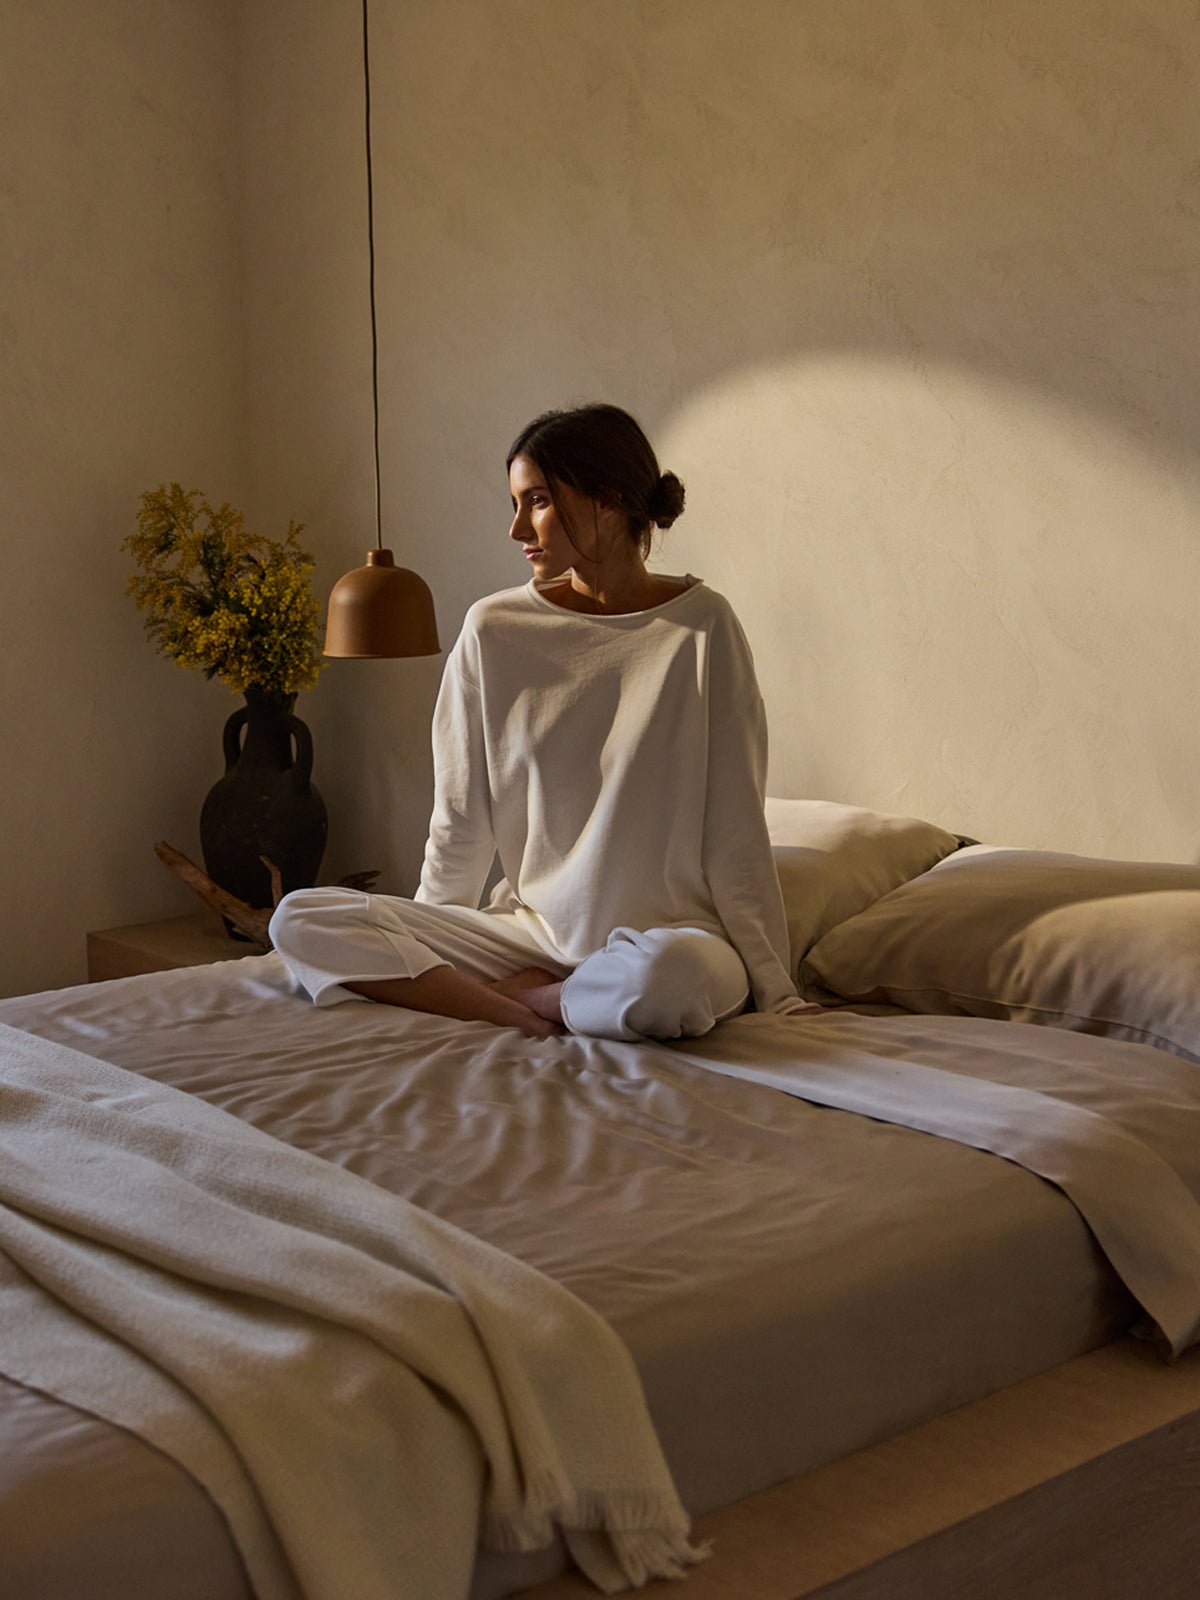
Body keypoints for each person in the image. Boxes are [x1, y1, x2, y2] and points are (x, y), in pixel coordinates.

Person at [270, 403, 809, 1041]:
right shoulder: (493, 630)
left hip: (671, 941)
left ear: (607, 501)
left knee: (671, 983)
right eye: (516, 503)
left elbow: (735, 832)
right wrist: (422, 947)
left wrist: (782, 997)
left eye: (538, 501)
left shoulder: (701, 628)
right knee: (300, 917)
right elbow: (460, 821)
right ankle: (512, 1005)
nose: (517, 527)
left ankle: (546, 1000)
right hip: (526, 933)